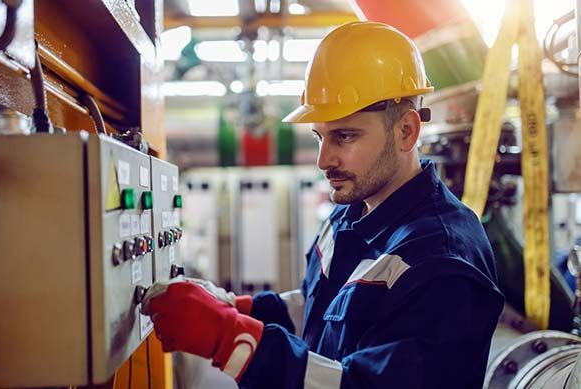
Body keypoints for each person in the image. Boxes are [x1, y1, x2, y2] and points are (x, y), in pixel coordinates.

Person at [141, 21, 504, 388]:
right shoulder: (352, 210)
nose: (323, 159)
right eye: (320, 137)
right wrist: (240, 308)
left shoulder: (442, 261)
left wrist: (234, 339)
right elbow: (322, 311)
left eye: (344, 136)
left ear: (406, 131)